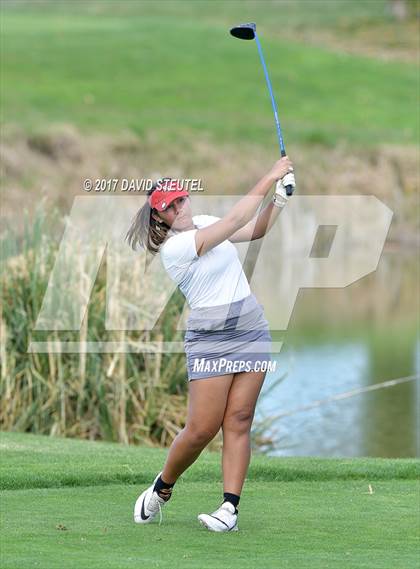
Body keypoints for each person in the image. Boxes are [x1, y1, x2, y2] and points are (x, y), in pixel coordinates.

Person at [125, 156, 294, 532]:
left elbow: (253, 230)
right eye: (170, 206)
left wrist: (279, 200)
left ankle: (229, 510)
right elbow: (234, 221)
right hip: (211, 339)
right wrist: (269, 174)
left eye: (181, 199)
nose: (180, 207)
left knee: (239, 419)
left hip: (250, 326)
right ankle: (163, 486)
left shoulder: (201, 223)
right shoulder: (175, 249)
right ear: (160, 218)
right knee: (202, 429)